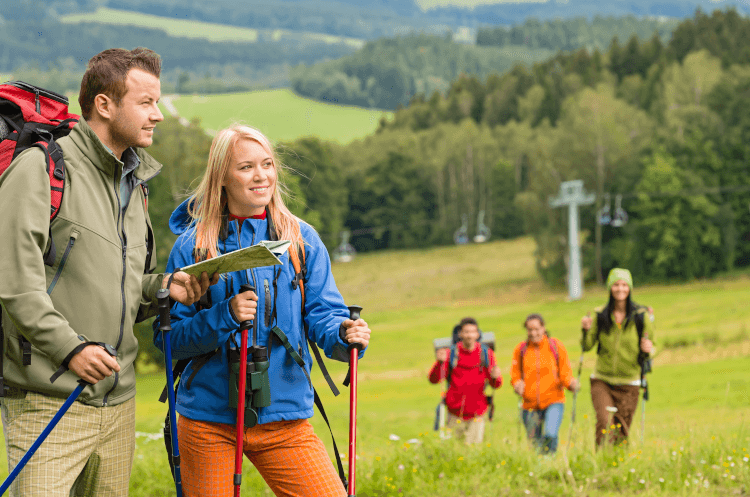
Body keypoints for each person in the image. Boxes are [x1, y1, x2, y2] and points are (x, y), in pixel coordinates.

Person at [0, 48, 215, 496]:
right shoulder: (41, 169)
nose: (157, 115)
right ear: (104, 104)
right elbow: (14, 282)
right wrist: (70, 349)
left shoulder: (132, 186)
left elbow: (122, 290)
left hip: (118, 406)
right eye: (146, 102)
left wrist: (165, 288)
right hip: (49, 399)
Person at [153, 124, 371, 497]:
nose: (261, 176)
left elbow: (323, 315)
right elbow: (169, 339)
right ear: (222, 177)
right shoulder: (193, 246)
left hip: (286, 419)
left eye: (267, 164)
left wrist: (344, 334)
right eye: (246, 167)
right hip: (208, 420)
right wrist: (224, 316)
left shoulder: (302, 240)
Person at [581, 268, 654, 447]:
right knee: (605, 424)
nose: (620, 289)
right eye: (616, 285)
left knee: (622, 431)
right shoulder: (600, 315)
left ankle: (618, 466)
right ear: (610, 288)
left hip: (630, 382)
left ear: (629, 288)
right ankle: (601, 463)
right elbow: (587, 346)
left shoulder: (640, 315)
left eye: (624, 285)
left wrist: (649, 348)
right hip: (602, 380)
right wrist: (585, 330)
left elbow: (652, 345)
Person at [511, 314, 578, 454]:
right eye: (530, 330)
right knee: (535, 443)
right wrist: (517, 384)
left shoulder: (555, 346)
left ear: (543, 328)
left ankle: (549, 462)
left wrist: (571, 384)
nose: (533, 333)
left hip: (554, 400)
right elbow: (515, 374)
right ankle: (539, 468)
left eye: (536, 329)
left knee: (550, 434)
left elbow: (565, 372)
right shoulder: (521, 350)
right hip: (529, 404)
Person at [428, 317, 502, 444]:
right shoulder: (451, 353)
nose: (469, 335)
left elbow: (496, 384)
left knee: (474, 452)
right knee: (454, 452)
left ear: (478, 334)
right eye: (466, 332)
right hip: (454, 412)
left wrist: (496, 377)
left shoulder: (486, 353)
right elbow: (434, 379)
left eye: (472, 332)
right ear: (460, 334)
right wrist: (439, 363)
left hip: (477, 412)